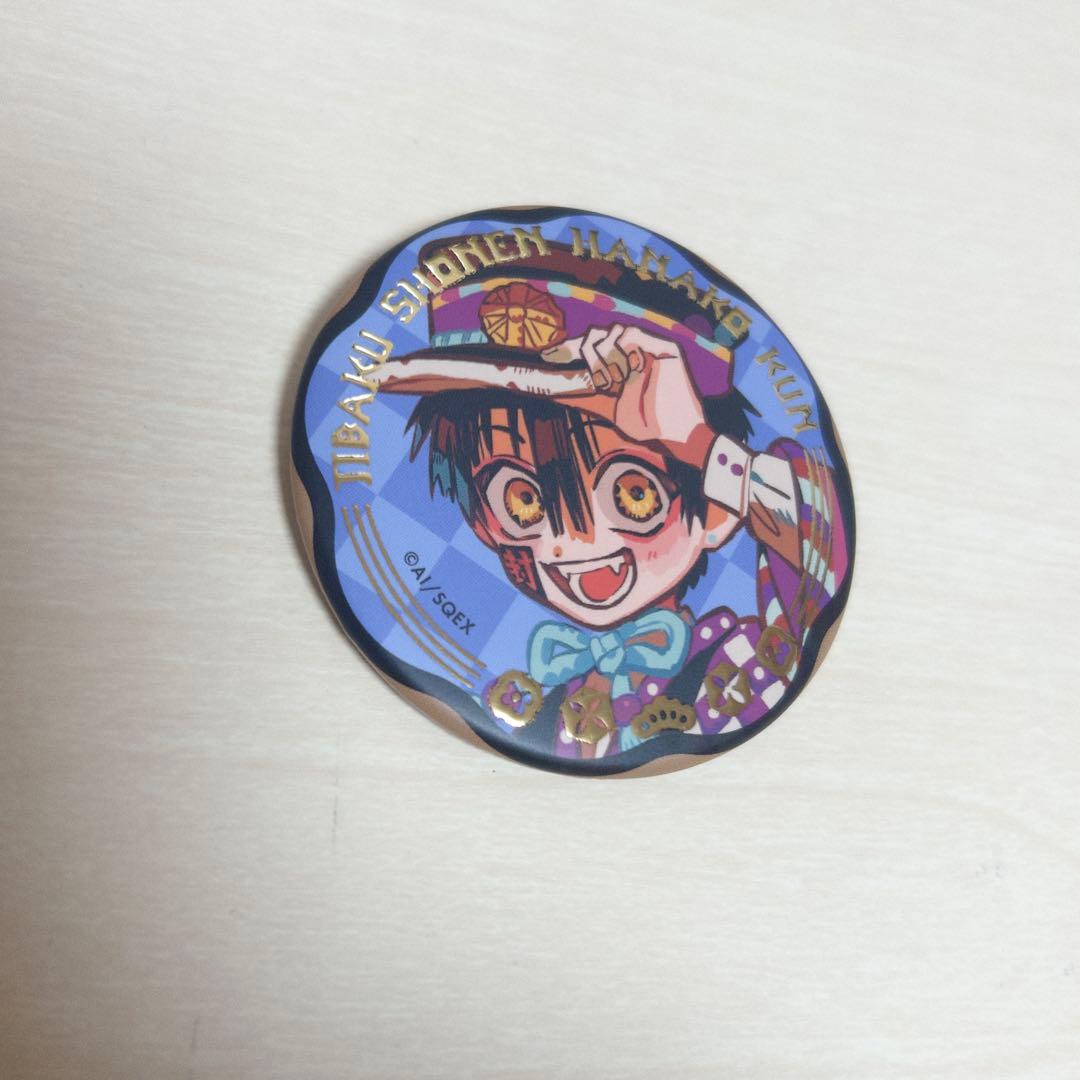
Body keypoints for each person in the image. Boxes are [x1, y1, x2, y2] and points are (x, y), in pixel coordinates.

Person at [378, 236, 849, 760]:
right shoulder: (540, 701)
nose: (574, 539)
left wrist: (696, 443)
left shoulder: (747, 659)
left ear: (717, 513)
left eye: (633, 494)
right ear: (485, 523)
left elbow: (824, 548)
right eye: (523, 501)